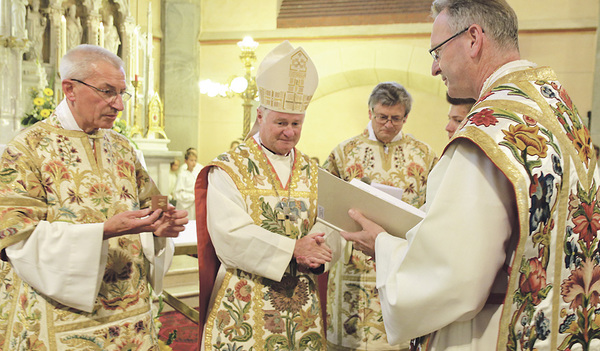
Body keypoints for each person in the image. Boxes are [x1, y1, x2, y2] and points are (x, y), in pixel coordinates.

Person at [341, 0, 600, 350]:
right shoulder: (561, 113)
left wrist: (383, 245)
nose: (435, 68)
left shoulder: (489, 132)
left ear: (473, 39)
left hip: (493, 334)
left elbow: (452, 280)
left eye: (437, 51)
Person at [0, 44, 189, 349]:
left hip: (132, 317)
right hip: (61, 317)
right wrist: (102, 232)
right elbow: (16, 239)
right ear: (70, 89)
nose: (119, 105)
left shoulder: (123, 146)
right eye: (107, 91)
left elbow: (154, 202)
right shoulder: (25, 150)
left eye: (122, 93)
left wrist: (162, 225)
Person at [195, 40, 333, 350]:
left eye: (296, 123)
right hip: (245, 301)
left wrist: (321, 249)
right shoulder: (230, 167)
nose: (289, 132)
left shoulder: (313, 170)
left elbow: (328, 224)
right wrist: (293, 249)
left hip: (302, 308)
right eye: (281, 122)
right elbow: (229, 236)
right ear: (260, 115)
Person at [323, 82, 437, 351]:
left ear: (406, 117)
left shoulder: (424, 155)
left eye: (396, 118)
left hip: (401, 259)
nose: (388, 124)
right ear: (370, 112)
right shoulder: (345, 152)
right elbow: (325, 203)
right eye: (381, 117)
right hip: (354, 263)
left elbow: (434, 206)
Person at [174, 149, 201, 219]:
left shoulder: (196, 174)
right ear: (186, 161)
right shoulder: (182, 175)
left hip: (195, 204)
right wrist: (192, 197)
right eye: (191, 160)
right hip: (185, 205)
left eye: (195, 160)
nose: (193, 163)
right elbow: (178, 193)